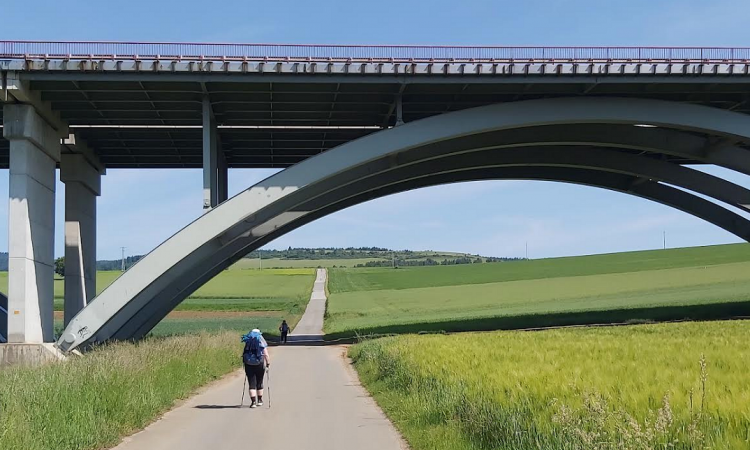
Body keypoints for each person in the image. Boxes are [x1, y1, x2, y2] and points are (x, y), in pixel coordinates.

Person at [241, 328, 270, 408]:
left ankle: (253, 402)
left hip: (248, 364)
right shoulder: (260, 339)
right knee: (259, 382)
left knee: (251, 383)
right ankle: (260, 400)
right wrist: (268, 363)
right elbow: (266, 354)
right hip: (259, 363)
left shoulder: (248, 340)